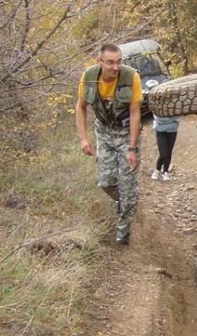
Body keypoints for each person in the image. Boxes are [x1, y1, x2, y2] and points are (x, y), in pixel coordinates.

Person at [75, 43, 143, 245]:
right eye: (111, 63)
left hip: (126, 133)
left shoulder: (131, 77)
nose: (116, 67)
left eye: (119, 62)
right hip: (104, 132)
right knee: (106, 183)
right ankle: (124, 201)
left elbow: (134, 112)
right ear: (100, 61)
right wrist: (83, 138)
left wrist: (132, 148)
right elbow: (80, 107)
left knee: (127, 185)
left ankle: (123, 231)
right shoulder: (88, 77)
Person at [151, 113, 180, 181]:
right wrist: (171, 119)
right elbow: (159, 119)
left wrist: (166, 119)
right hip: (160, 131)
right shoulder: (158, 104)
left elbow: (178, 117)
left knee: (169, 152)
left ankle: (165, 172)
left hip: (173, 131)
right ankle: (157, 170)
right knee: (163, 153)